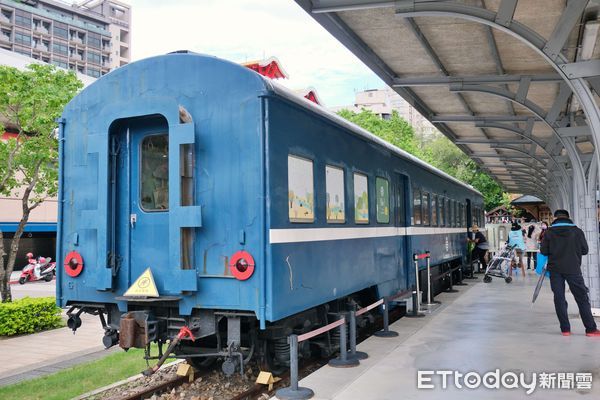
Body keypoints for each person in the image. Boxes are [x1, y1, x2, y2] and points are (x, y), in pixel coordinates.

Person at [540, 209, 600, 336]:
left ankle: (565, 329)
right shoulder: (577, 231)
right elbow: (585, 250)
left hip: (555, 269)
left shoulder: (549, 232)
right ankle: (591, 329)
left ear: (555, 218)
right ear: (568, 217)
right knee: (582, 298)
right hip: (573, 269)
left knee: (559, 298)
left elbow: (544, 251)